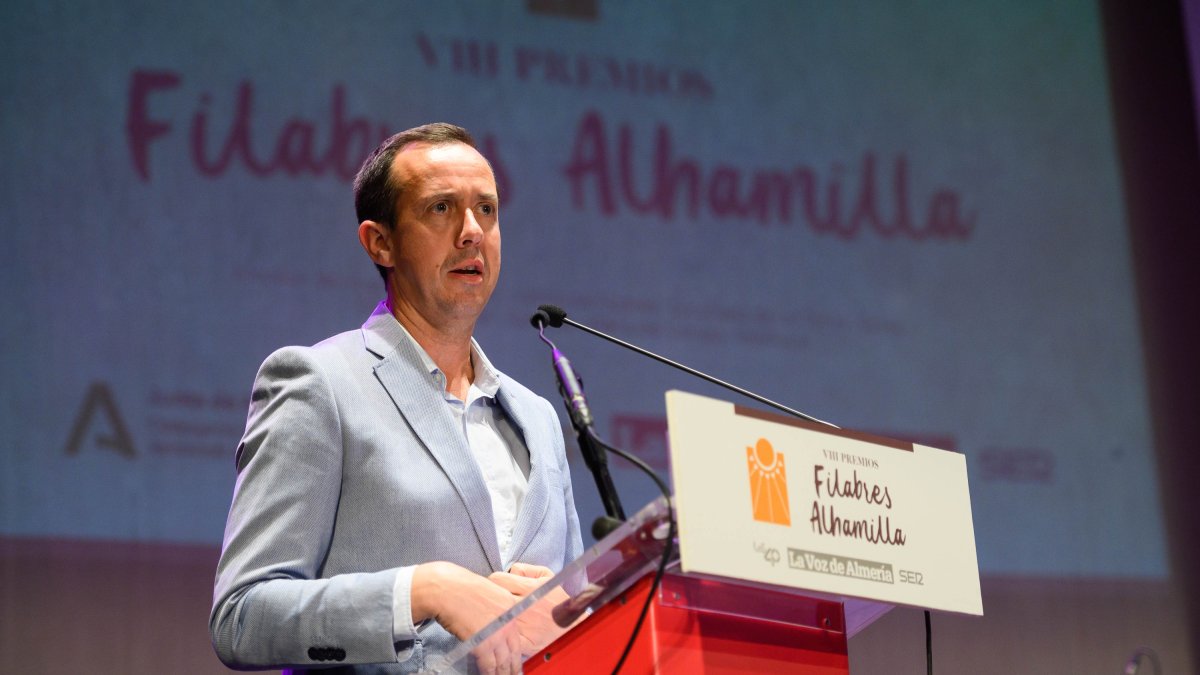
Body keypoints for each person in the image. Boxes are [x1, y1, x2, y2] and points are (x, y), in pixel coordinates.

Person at [210, 123, 583, 674]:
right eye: (440, 209)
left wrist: (574, 616)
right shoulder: (320, 385)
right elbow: (242, 617)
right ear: (379, 242)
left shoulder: (538, 418)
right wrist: (421, 590)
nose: (472, 232)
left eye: (487, 209)